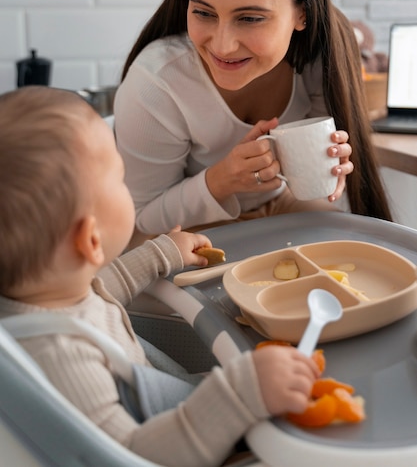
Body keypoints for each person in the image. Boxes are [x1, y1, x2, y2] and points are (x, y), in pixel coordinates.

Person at [0, 86, 320, 467]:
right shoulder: (62, 359)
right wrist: (237, 395)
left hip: (172, 409)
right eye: (120, 179)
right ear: (91, 239)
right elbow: (132, 456)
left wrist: (159, 254)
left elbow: (103, 289)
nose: (127, 185)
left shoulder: (46, 293)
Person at [115, 0, 392, 245]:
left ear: (301, 14)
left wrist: (326, 168)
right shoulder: (157, 83)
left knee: (358, 252)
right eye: (203, 12)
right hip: (180, 231)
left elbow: (309, 191)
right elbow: (142, 217)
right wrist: (219, 181)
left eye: (249, 18)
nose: (223, 45)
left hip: (277, 202)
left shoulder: (320, 59)